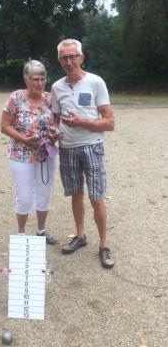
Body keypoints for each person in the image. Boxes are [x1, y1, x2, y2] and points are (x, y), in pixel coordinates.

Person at [50, 38, 115, 268]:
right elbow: (56, 119)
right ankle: (80, 236)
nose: (69, 62)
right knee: (76, 194)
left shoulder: (96, 82)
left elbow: (109, 123)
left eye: (72, 56)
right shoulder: (56, 87)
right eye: (64, 58)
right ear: (59, 61)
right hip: (67, 149)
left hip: (92, 146)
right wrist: (54, 131)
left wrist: (82, 122)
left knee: (97, 198)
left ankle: (104, 245)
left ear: (81, 57)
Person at [0, 60, 59, 244]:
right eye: (35, 79)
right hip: (21, 154)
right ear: (26, 79)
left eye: (42, 78)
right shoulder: (15, 98)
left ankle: (41, 231)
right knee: (24, 196)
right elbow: (4, 126)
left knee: (44, 193)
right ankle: (21, 234)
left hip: (45, 154)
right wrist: (24, 139)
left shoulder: (50, 99)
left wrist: (54, 132)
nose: (39, 83)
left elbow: (57, 122)